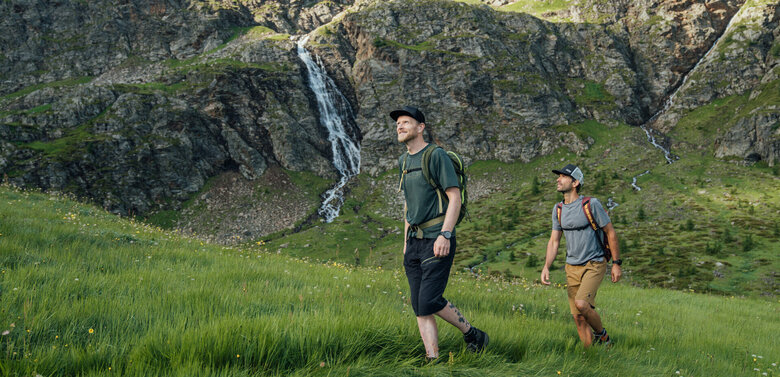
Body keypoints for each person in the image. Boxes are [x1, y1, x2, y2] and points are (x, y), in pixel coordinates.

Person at [393, 105, 488, 361]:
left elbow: (454, 197)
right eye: (398, 123)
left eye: (406, 122)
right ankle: (432, 359)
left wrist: (445, 234)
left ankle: (473, 333)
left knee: (429, 300)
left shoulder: (436, 156)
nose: (399, 126)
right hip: (413, 242)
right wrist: (405, 243)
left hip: (437, 238)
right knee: (419, 307)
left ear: (420, 127)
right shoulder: (403, 161)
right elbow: (409, 204)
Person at [541, 164, 622, 347]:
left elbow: (610, 232)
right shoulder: (558, 209)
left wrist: (616, 263)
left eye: (563, 176)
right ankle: (590, 356)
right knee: (578, 318)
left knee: (582, 304)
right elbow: (554, 241)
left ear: (575, 182)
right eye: (558, 176)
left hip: (594, 263)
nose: (558, 179)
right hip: (571, 267)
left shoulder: (591, 204)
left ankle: (603, 336)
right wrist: (546, 266)